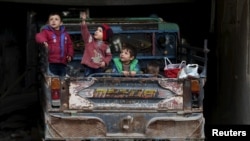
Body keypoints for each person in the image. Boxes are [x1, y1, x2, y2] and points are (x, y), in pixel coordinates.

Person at [35, 12, 74, 76]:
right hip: (51, 62)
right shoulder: (46, 31)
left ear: (61, 23)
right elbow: (39, 36)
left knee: (63, 78)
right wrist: (44, 41)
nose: (53, 21)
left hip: (63, 62)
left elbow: (70, 45)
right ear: (48, 23)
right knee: (53, 79)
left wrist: (70, 54)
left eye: (56, 19)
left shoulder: (65, 34)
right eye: (51, 19)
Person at [80, 11, 113, 77]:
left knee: (98, 81)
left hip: (99, 67)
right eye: (97, 30)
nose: (96, 31)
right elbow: (85, 31)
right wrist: (83, 21)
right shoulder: (90, 40)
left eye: (100, 31)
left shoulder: (106, 46)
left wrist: (105, 62)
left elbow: (109, 56)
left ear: (105, 36)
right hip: (89, 66)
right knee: (87, 81)